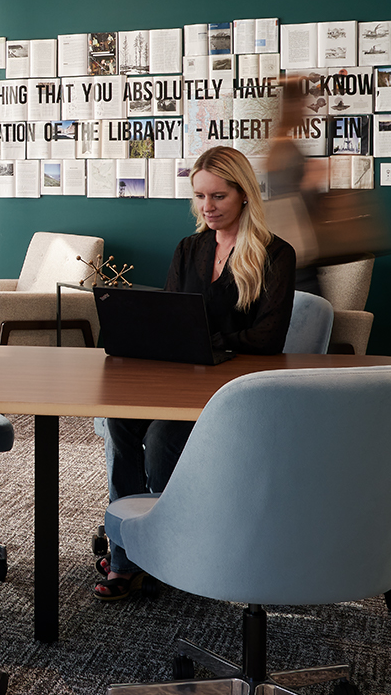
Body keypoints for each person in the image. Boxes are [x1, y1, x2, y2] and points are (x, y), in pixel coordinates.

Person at [94, 146, 295, 601]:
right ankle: (127, 554)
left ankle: (177, 546)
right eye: (200, 196)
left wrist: (210, 340)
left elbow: (268, 339)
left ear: (245, 195)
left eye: (219, 196)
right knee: (119, 423)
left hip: (235, 386)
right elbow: (169, 316)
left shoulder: (275, 254)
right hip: (181, 375)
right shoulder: (190, 248)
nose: (207, 207)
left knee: (164, 437)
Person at [264, 72, 325, 294]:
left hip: (295, 250)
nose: (305, 108)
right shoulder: (283, 148)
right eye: (300, 103)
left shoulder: (283, 145)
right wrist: (311, 184)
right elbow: (288, 201)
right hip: (295, 251)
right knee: (311, 313)